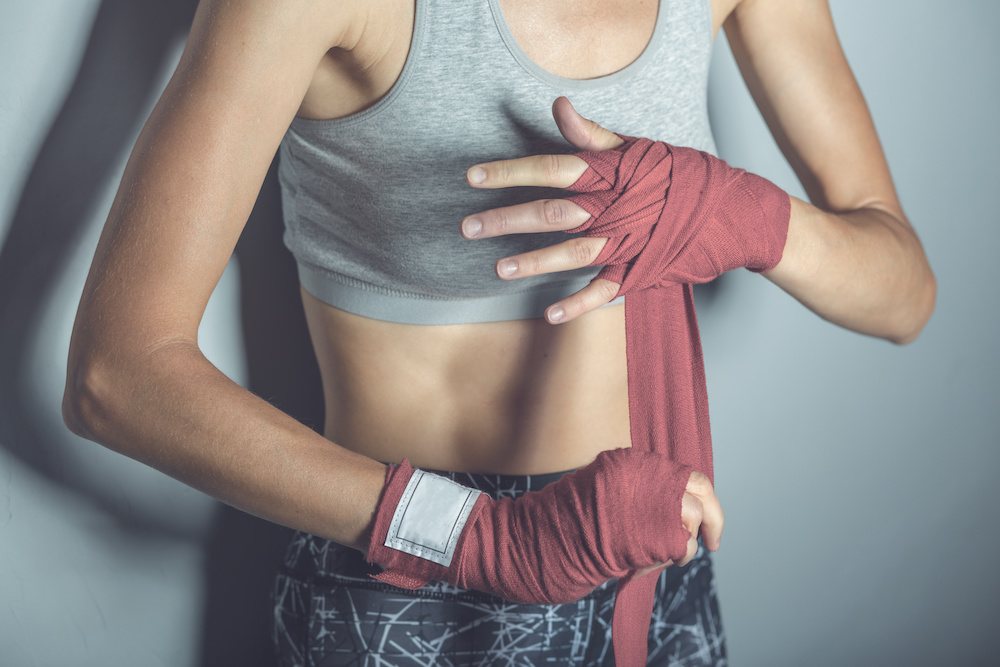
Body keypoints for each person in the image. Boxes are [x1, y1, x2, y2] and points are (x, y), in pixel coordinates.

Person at [62, 0, 936, 665]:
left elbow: (902, 295)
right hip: (412, 575)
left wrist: (742, 213)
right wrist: (485, 538)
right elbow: (116, 374)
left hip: (642, 547)